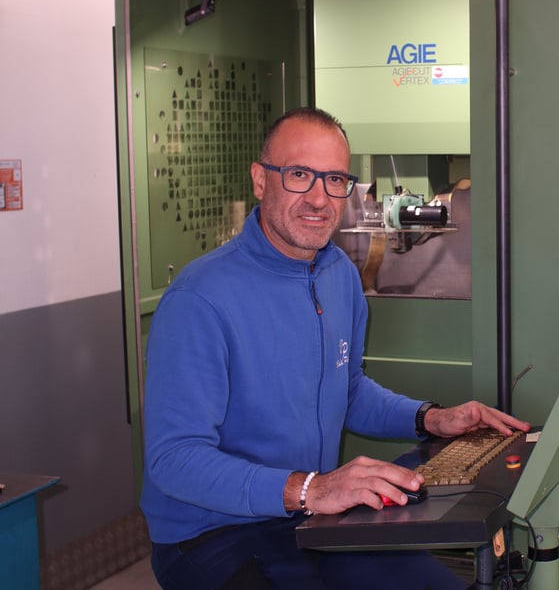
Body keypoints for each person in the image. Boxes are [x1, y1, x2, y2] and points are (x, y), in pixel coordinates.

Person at [141, 106, 530, 589]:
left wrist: (431, 419)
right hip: (213, 534)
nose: (318, 198)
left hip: (307, 517)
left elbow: (346, 390)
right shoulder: (200, 298)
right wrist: (311, 488)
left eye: (335, 180)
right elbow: (174, 459)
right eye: (299, 175)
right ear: (260, 180)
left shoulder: (337, 274)